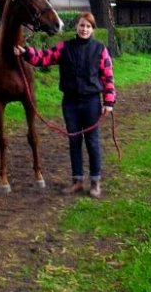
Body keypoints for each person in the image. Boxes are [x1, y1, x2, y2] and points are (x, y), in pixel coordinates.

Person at [14, 12, 116, 198]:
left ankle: (95, 182)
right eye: (82, 25)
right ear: (76, 26)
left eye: (88, 26)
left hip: (91, 102)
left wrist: (108, 101)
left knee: (92, 142)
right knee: (74, 141)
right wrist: (26, 52)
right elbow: (44, 57)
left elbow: (107, 76)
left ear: (92, 29)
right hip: (70, 103)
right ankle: (77, 181)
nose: (84, 29)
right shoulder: (64, 47)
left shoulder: (100, 49)